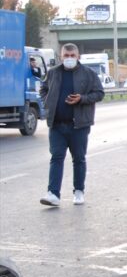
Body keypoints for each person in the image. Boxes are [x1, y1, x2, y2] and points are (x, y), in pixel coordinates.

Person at [39, 43, 105, 206]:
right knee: (56, 157)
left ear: (78, 57)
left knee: (79, 159)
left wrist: (82, 98)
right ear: (61, 57)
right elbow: (43, 89)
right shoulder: (53, 73)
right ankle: (53, 194)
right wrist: (48, 103)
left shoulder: (88, 74)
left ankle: (78, 191)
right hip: (57, 124)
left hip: (79, 124)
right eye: (66, 56)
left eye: (72, 56)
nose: (69, 59)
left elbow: (99, 93)